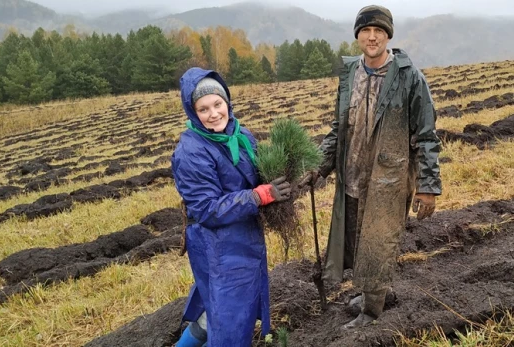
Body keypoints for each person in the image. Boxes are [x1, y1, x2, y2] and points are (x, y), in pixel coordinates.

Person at [300, 5, 442, 328]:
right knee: (358, 241)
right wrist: (318, 167)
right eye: (366, 30)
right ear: (358, 36)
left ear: (388, 35)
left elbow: (426, 135)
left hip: (388, 180)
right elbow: (340, 128)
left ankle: (371, 312)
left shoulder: (409, 77)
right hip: (353, 176)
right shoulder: (351, 74)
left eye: (379, 31)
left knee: (378, 242)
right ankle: (369, 294)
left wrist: (428, 186)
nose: (373, 36)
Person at [172, 67, 291, 346]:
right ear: (192, 112)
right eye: (203, 109)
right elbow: (206, 208)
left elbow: (258, 174)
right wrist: (257, 197)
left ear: (227, 102)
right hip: (218, 244)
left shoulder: (240, 135)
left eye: (217, 104)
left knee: (217, 308)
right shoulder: (191, 151)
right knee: (230, 319)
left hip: (242, 238)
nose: (213, 114)